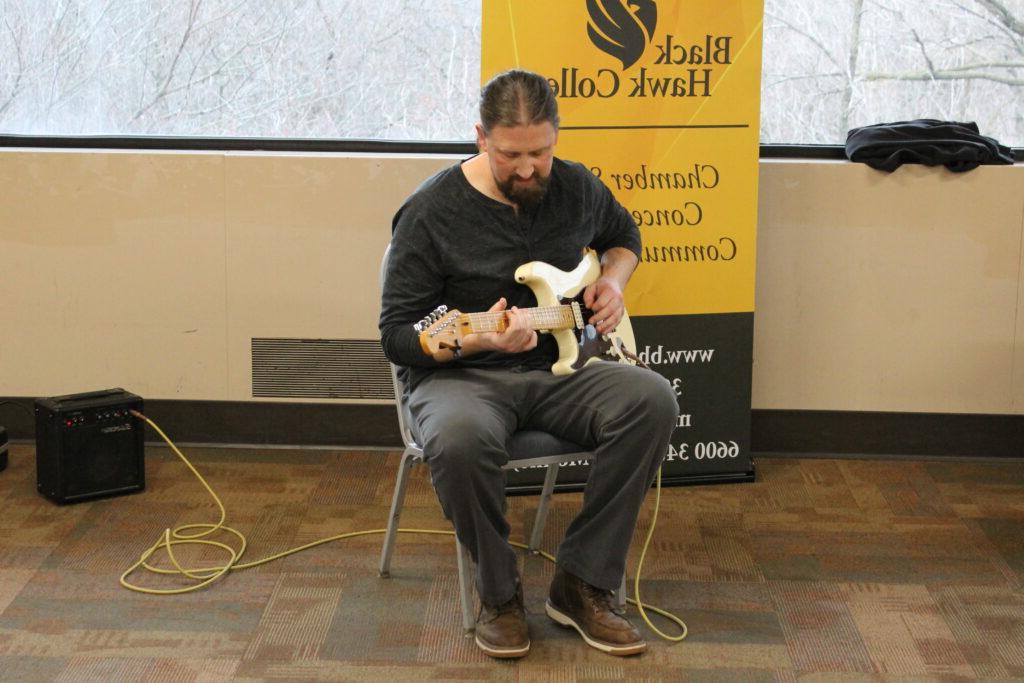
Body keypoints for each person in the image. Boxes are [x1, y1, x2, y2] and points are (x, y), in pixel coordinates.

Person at [379, 68, 678, 658]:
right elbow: (397, 335)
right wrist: (479, 341)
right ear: (480, 138)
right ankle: (499, 594)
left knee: (652, 400)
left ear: (556, 137)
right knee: (460, 438)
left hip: (559, 370)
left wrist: (613, 283)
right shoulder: (431, 211)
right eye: (511, 154)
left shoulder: (576, 187)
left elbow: (624, 235)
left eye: (539, 153)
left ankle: (584, 583)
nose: (526, 169)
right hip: (462, 375)